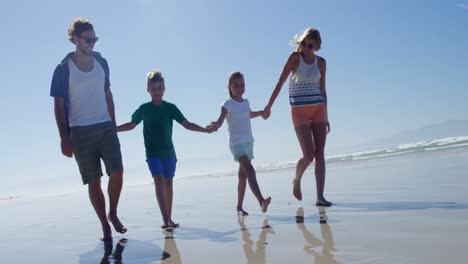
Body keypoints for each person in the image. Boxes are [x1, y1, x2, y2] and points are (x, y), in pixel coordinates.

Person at [50, 18, 126, 241]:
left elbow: (108, 94)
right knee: (94, 181)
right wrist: (64, 138)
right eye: (87, 39)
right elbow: (58, 104)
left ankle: (113, 213)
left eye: (94, 39)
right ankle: (104, 224)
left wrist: (113, 123)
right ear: (75, 39)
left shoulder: (102, 62)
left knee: (118, 172)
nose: (92, 43)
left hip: (105, 126)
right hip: (80, 131)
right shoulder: (63, 69)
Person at [117, 70, 214, 229]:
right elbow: (131, 125)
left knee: (168, 183)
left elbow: (187, 124)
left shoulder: (170, 108)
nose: (157, 91)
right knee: (159, 180)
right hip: (152, 154)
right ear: (148, 90)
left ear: (164, 89)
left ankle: (169, 218)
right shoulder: (144, 109)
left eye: (159, 88)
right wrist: (113, 129)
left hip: (169, 153)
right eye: (153, 88)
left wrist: (205, 130)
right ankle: (165, 219)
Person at [263, 27, 332, 206]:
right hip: (299, 111)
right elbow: (280, 81)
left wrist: (327, 115)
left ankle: (320, 197)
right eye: (304, 43)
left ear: (316, 47)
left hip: (319, 109)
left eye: (310, 45)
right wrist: (269, 105)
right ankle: (297, 179)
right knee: (308, 155)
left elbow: (323, 90)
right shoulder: (295, 58)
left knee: (320, 154)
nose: (306, 48)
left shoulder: (321, 63)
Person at [209, 72, 271, 216]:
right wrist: (216, 125)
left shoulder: (246, 102)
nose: (239, 87)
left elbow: (248, 114)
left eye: (242, 84)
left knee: (242, 176)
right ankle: (261, 200)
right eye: (235, 85)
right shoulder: (227, 104)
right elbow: (221, 119)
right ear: (229, 87)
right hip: (237, 144)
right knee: (250, 171)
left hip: (249, 142)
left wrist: (261, 113)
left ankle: (239, 207)